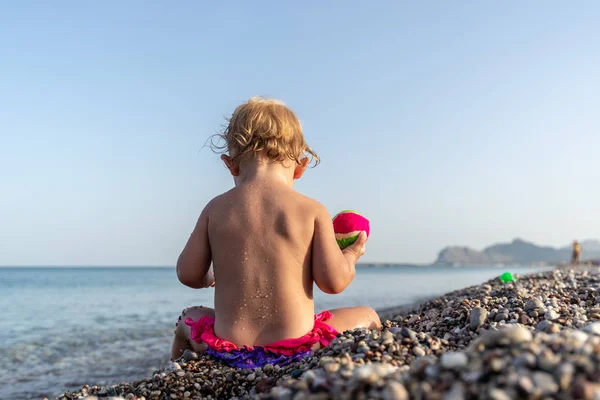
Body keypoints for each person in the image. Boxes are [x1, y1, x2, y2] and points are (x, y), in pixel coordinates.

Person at [171, 97, 381, 368]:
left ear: (230, 164)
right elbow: (333, 282)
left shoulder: (215, 209)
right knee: (369, 315)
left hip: (229, 351)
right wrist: (351, 255)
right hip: (297, 350)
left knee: (188, 317)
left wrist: (211, 276)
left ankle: (177, 372)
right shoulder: (311, 210)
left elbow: (187, 274)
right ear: (301, 167)